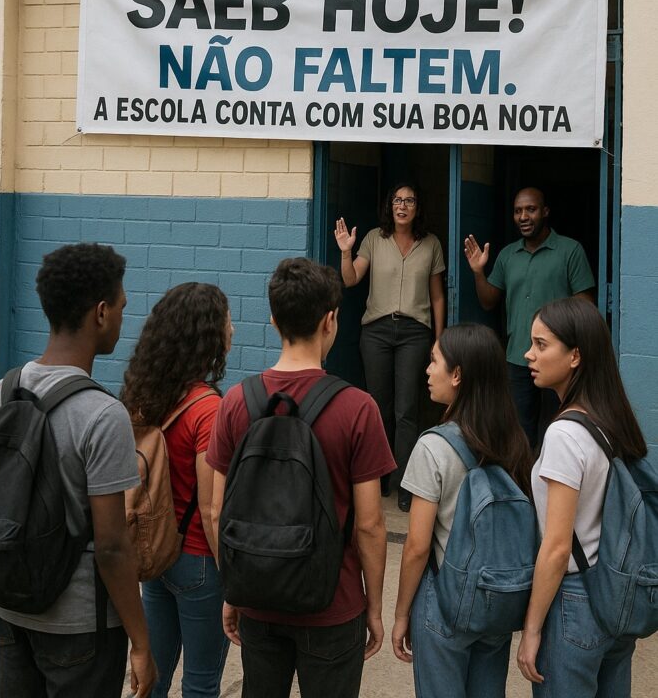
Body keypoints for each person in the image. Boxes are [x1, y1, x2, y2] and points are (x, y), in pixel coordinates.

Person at [207, 257, 395, 698]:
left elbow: (216, 511)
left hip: (258, 598)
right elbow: (370, 524)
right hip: (333, 603)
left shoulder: (236, 402)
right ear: (331, 320)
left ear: (274, 320)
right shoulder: (358, 408)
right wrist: (373, 605)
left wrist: (233, 589)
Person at [0, 243, 156, 698]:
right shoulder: (103, 414)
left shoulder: (3, 391)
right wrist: (140, 641)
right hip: (81, 626)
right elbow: (112, 546)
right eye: (121, 307)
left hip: (11, 606)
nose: (122, 317)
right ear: (101, 312)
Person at [392, 323, 532, 698]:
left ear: (457, 375)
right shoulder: (515, 441)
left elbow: (417, 546)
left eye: (434, 361)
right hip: (498, 600)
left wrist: (402, 613)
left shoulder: (433, 447)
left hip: (446, 604)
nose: (427, 370)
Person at [517, 297, 645, 696]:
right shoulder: (610, 420)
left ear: (575, 356)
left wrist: (532, 629)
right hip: (613, 595)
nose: (528, 354)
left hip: (574, 602)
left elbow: (557, 548)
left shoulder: (564, 434)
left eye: (541, 344)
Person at [121, 283, 232, 698]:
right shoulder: (209, 408)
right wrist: (233, 581)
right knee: (201, 683)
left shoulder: (145, 395)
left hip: (156, 551)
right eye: (226, 322)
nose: (232, 329)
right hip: (200, 561)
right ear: (207, 335)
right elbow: (212, 509)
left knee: (152, 677)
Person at [335, 182, 445, 511]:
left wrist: (439, 340)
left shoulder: (431, 243)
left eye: (409, 201)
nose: (402, 206)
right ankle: (381, 478)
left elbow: (437, 296)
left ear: (417, 207)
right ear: (390, 206)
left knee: (407, 410)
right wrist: (346, 251)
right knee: (379, 407)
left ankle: (407, 484)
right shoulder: (374, 238)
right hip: (377, 331)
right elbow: (351, 279)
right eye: (397, 200)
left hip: (414, 331)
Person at [464, 186, 595, 447]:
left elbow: (587, 305)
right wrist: (478, 272)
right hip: (517, 358)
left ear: (545, 212)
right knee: (519, 431)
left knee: (557, 428)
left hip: (557, 359)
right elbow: (488, 301)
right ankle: (524, 474)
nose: (523, 216)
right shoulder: (507, 255)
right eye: (518, 211)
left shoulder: (570, 250)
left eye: (531, 209)